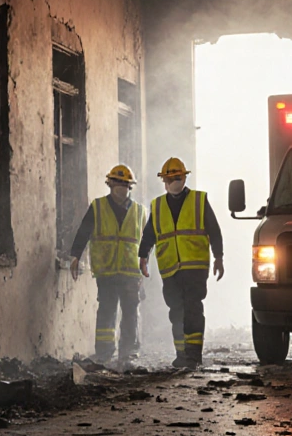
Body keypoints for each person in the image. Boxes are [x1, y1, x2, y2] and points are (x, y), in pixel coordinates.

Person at [138, 157, 224, 368]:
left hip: (195, 267)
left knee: (192, 308)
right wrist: (143, 256)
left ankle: (193, 356)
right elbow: (149, 234)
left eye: (177, 178)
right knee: (176, 310)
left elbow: (214, 230)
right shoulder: (158, 205)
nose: (173, 182)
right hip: (170, 269)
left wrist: (218, 257)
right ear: (164, 182)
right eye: (170, 179)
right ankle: (181, 354)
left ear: (185, 178)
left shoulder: (199, 200)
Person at [69, 165, 148, 364]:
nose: (122, 187)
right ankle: (104, 353)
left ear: (130, 187)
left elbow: (146, 242)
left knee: (131, 312)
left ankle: (128, 353)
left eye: (125, 184)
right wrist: (75, 256)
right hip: (107, 271)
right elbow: (84, 231)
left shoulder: (140, 211)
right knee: (107, 310)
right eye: (118, 182)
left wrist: (145, 265)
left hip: (131, 271)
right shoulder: (98, 207)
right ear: (110, 184)